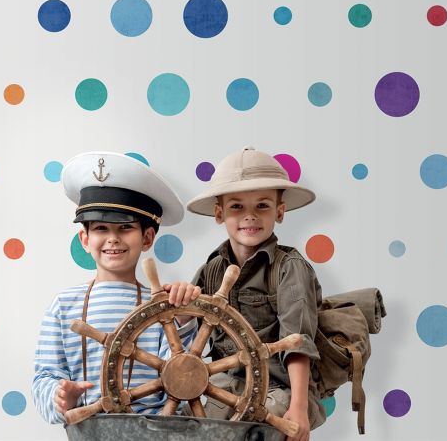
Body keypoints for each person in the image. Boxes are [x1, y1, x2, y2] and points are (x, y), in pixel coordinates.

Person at [32, 151, 200, 424]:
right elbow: (45, 376)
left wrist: (182, 319)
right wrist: (60, 397)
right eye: (101, 228)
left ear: (147, 238)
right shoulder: (63, 305)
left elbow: (182, 382)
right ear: (85, 239)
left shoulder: (162, 308)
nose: (113, 238)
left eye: (124, 227)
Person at [187, 147, 326, 441]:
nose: (250, 216)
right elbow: (185, 329)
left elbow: (298, 342)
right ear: (219, 213)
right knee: (181, 425)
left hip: (279, 388)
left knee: (254, 432)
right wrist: (178, 297)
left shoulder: (289, 268)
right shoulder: (210, 271)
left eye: (262, 206)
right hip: (222, 384)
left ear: (279, 211)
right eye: (236, 206)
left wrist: (299, 407)